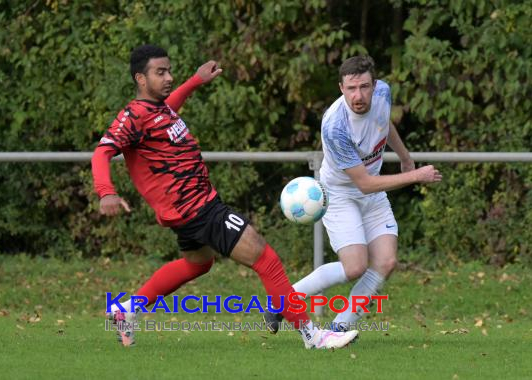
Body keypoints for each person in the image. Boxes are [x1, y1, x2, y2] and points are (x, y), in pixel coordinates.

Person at [91, 44, 358, 349]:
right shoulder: (134, 115)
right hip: (196, 209)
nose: (168, 77)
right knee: (266, 258)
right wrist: (106, 192)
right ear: (140, 78)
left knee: (198, 263)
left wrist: (193, 81)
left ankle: (127, 310)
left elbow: (169, 110)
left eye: (169, 70)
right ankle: (314, 336)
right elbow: (102, 152)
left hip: (194, 206)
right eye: (160, 72)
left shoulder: (158, 109)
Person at [264, 55, 442, 334]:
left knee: (386, 261)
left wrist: (406, 158)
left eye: (364, 87)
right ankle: (282, 300)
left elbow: (384, 122)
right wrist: (416, 176)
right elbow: (364, 184)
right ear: (341, 88)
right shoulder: (335, 127)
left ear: (374, 84)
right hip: (342, 193)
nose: (358, 95)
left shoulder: (383, 92)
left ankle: (340, 327)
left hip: (371, 189)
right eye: (351, 88)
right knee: (355, 266)